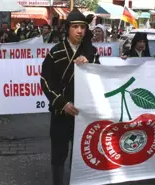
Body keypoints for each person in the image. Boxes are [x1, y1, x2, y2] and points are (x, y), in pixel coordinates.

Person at [40, 10, 100, 185]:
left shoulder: (91, 53)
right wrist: (62, 103)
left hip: (83, 113)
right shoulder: (55, 52)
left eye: (82, 27)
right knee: (59, 153)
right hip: (61, 112)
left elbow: (100, 78)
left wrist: (91, 65)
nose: (79, 31)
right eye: (75, 27)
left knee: (81, 153)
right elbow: (45, 82)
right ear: (68, 29)